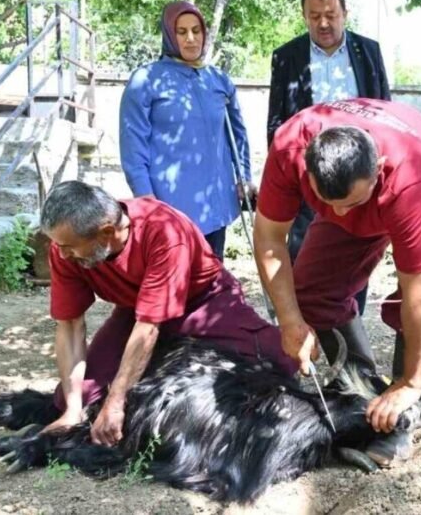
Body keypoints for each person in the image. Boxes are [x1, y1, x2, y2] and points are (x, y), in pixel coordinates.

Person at [252, 98, 421, 467]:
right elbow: (270, 238)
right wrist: (290, 322)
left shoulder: (405, 176)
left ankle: (400, 416)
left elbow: (420, 296)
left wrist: (411, 385)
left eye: (350, 204)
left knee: (410, 305)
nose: (339, 215)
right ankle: (360, 397)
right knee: (310, 293)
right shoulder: (291, 145)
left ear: (378, 170)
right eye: (326, 201)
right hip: (363, 186)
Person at [39, 181, 294, 446]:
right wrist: (72, 409)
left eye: (69, 247)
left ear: (106, 232)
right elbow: (69, 325)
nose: (62, 254)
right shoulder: (64, 250)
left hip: (204, 302)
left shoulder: (164, 230)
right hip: (135, 310)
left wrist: (117, 401)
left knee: (280, 360)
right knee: (82, 395)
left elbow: (149, 327)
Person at [267, 0, 391, 314]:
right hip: (309, 175)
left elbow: (385, 112)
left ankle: (352, 319)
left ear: (345, 14)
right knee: (303, 252)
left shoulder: (368, 52)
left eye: (331, 15)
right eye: (314, 16)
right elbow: (277, 123)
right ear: (304, 17)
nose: (323, 23)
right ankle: (305, 323)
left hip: (358, 176)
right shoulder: (286, 57)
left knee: (356, 254)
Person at [119, 0, 253, 260]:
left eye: (196, 31)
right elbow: (132, 146)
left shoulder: (219, 80)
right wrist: (146, 199)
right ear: (169, 35)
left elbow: (238, 135)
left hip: (215, 205)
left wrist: (244, 177)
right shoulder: (145, 80)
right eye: (181, 32)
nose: (191, 39)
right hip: (170, 207)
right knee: (176, 283)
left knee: (212, 281)